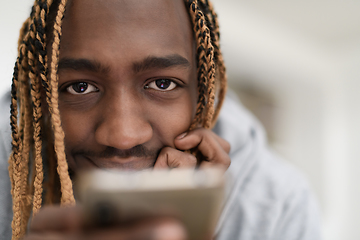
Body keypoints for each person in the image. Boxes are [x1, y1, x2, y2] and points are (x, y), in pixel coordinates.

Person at [0, 0, 322, 239]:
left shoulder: (280, 207)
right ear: (42, 95)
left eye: (162, 84)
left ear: (203, 94)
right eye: (80, 87)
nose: (123, 136)